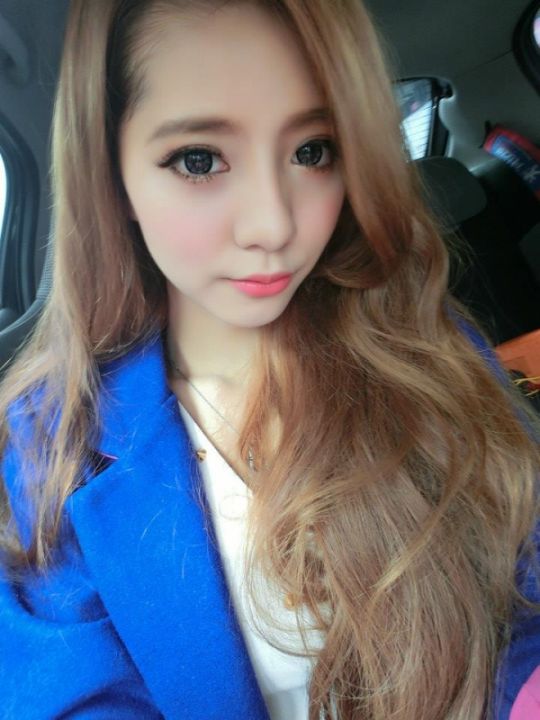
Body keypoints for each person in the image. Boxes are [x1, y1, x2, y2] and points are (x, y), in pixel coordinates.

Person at [0, 0, 538, 718]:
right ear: (111, 173)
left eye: (312, 151)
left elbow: (524, 591)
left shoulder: (422, 344)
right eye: (199, 159)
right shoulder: (44, 445)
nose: (275, 224)